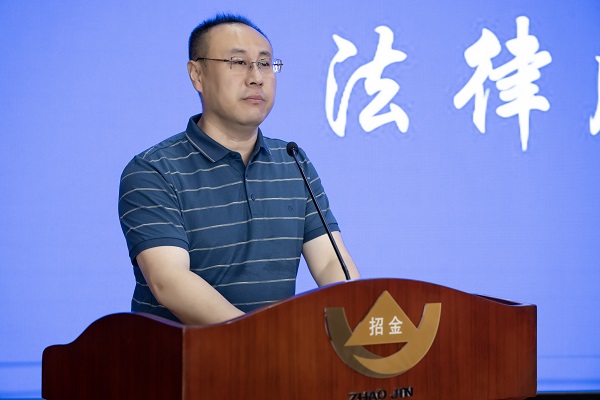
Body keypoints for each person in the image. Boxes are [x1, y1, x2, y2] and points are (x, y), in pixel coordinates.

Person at [118, 13, 359, 326]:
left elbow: (330, 262)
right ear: (197, 74)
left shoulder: (293, 161)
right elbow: (170, 282)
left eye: (265, 63)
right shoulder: (154, 170)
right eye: (238, 62)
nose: (256, 77)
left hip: (273, 351)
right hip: (183, 354)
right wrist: (257, 341)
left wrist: (357, 318)